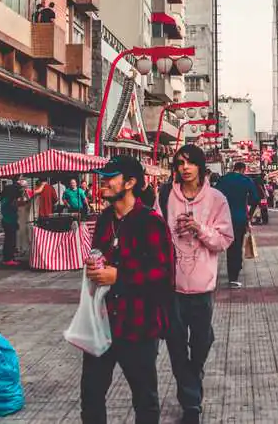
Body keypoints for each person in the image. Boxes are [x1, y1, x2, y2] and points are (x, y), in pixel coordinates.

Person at [81, 155, 174, 424]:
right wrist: (94, 264)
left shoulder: (151, 221)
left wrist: (119, 276)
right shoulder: (104, 219)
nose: (103, 183)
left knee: (144, 398)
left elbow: (164, 275)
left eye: (111, 178)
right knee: (91, 395)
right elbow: (101, 253)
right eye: (104, 177)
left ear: (130, 182)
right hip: (102, 321)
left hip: (138, 323)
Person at [158, 145, 233, 424]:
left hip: (203, 288)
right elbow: (156, 235)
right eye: (180, 163)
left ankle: (193, 378)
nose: (184, 168)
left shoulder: (216, 199)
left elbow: (224, 240)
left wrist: (198, 228)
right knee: (176, 346)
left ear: (201, 166)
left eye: (190, 163)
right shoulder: (165, 196)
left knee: (201, 343)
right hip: (172, 287)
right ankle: (191, 404)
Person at [215, 161, 261, 288]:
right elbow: (255, 199)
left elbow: (214, 197)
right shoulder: (246, 180)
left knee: (230, 246)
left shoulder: (223, 179)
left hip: (224, 217)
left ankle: (233, 271)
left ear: (233, 168)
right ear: (243, 169)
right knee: (237, 244)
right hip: (240, 217)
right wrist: (249, 215)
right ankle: (233, 275)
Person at [0, 178, 26, 266]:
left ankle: (9, 258)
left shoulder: (5, 199)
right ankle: (8, 259)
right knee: (10, 240)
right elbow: (19, 204)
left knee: (9, 240)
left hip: (6, 221)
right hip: (10, 222)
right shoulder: (10, 201)